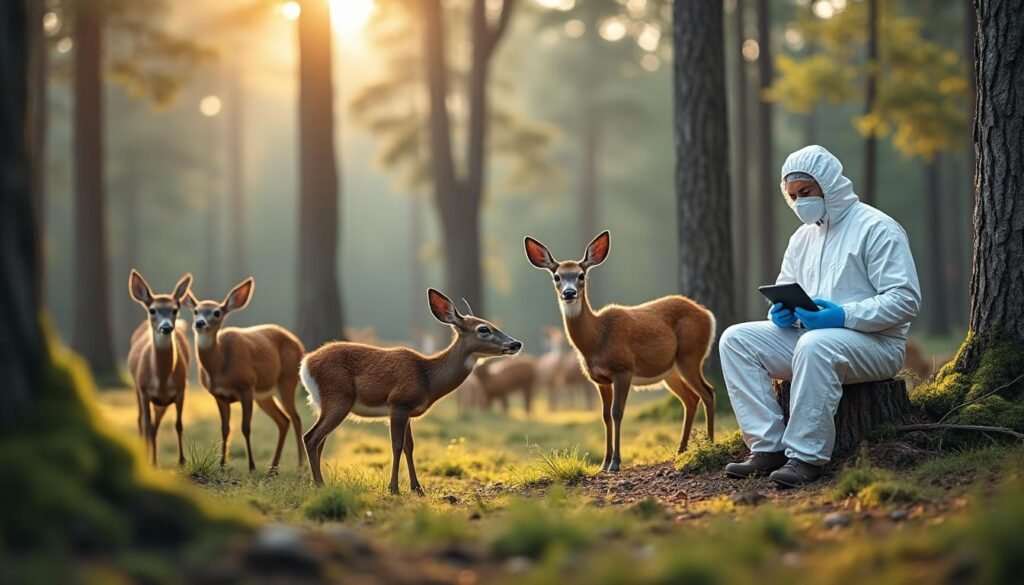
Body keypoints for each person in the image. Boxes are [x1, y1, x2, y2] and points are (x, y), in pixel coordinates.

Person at [719, 145, 922, 488]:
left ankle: (806, 456)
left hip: (877, 345)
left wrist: (843, 315)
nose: (800, 202)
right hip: (810, 340)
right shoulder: (802, 238)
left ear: (828, 184)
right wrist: (781, 313)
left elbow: (905, 300)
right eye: (793, 195)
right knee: (735, 340)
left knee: (816, 345)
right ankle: (767, 447)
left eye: (807, 191)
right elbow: (787, 286)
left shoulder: (877, 228)